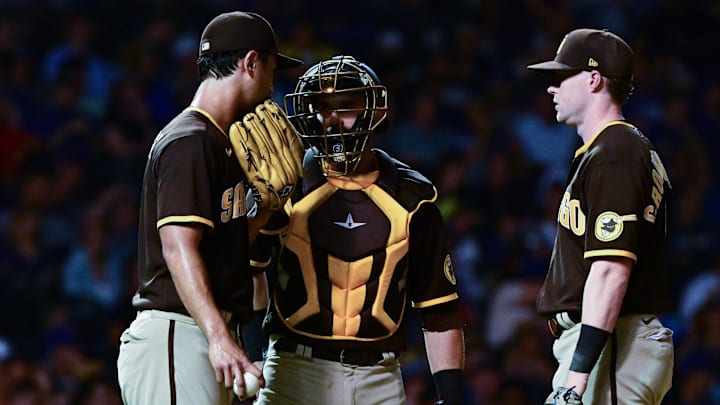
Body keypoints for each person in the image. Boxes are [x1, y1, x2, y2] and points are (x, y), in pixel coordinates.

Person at [248, 55, 466, 405]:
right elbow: (250, 273)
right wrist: (251, 356)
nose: (332, 119)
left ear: (375, 111)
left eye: (346, 105)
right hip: (291, 370)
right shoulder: (285, 185)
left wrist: (451, 398)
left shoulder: (414, 199)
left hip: (378, 378)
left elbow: (438, 308)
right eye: (322, 107)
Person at [116, 11, 302, 405]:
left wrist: (267, 209)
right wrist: (219, 338)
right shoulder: (191, 139)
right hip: (178, 331)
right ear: (251, 62)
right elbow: (177, 246)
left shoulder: (221, 143)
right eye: (271, 67)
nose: (272, 83)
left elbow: (220, 247)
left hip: (200, 330)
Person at [527, 28, 674, 404]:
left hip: (612, 347)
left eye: (562, 76)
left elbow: (611, 269)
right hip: (610, 344)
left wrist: (577, 378)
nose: (552, 88)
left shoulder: (617, 150)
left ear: (594, 79)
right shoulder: (617, 149)